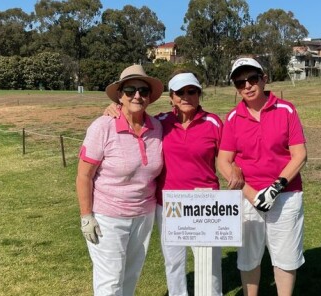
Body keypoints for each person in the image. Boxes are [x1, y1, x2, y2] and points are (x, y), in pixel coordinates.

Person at [105, 70, 243, 296]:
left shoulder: (213, 122)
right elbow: (132, 117)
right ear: (171, 97)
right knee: (174, 264)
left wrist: (234, 169)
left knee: (208, 265)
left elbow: (228, 157)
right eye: (180, 92)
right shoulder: (160, 122)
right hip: (170, 205)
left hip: (206, 203)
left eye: (192, 91)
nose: (186, 96)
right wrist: (115, 109)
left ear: (199, 95)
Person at [216, 57, 307, 296]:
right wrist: (252, 194)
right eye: (239, 82)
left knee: (285, 259)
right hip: (249, 199)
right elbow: (223, 160)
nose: (246, 85)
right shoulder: (233, 118)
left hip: (285, 196)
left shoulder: (286, 109)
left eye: (252, 78)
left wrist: (275, 188)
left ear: (263, 79)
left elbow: (299, 155)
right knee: (248, 258)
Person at [76, 64, 164, 296]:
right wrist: (86, 216)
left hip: (144, 216)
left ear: (149, 97)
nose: (137, 95)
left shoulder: (157, 127)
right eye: (130, 90)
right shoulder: (103, 126)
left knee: (130, 276)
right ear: (120, 96)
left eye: (143, 91)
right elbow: (84, 175)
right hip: (108, 217)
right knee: (111, 281)